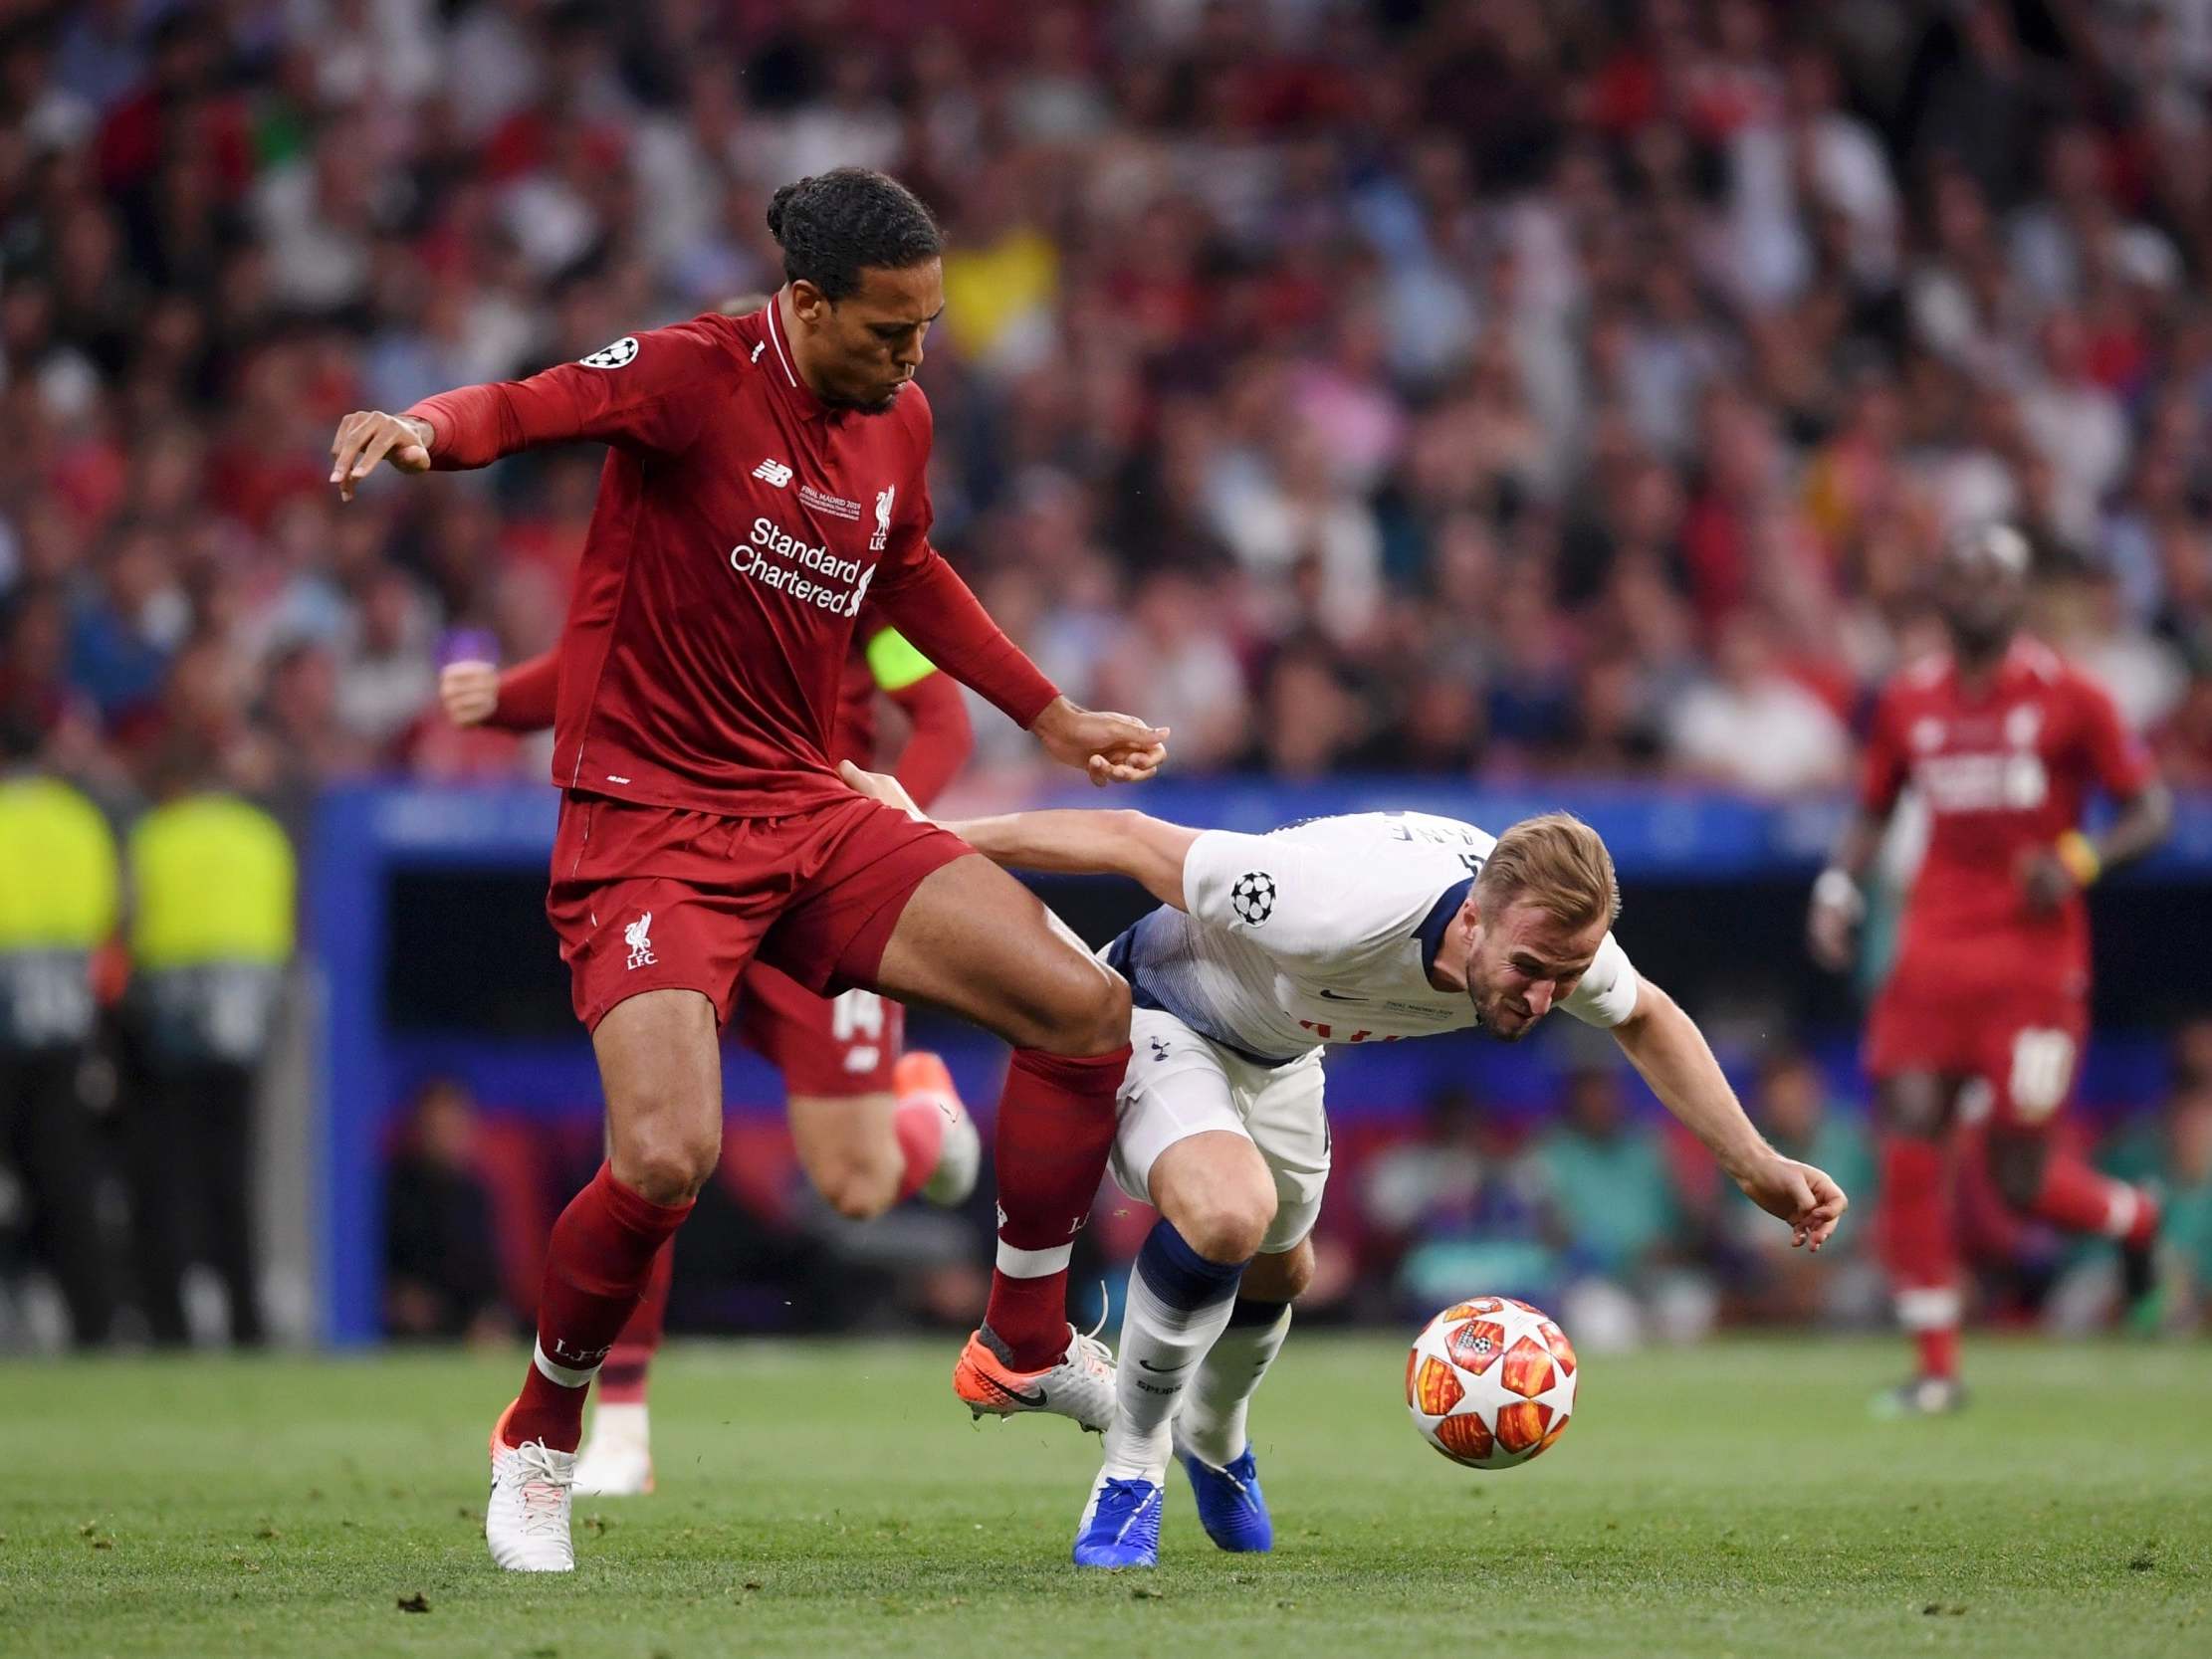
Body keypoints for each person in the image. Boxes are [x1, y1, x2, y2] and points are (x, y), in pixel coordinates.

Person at [328, 166, 1168, 1572]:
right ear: (804, 302)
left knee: (1083, 1007)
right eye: (889, 329)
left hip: (805, 804)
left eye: (929, 327)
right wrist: (421, 428)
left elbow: (910, 577)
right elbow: (530, 405)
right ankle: (542, 1434)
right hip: (647, 824)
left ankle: (1022, 1337)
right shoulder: (690, 374)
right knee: (666, 1155)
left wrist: (1051, 715)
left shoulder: (897, 416)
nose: (914, 357)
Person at [844, 764, 1847, 1569]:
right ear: (1471, 922)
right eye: (1530, 970)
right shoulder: (1328, 903)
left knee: (1283, 1270)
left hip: (1282, 1051)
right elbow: (1126, 839)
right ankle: (1131, 1466)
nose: (1545, 996)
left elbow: (1646, 1014)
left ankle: (1216, 1436)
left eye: (1564, 976)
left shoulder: (1556, 939)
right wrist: (926, 836)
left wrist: (1752, 1161)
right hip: (1164, 1007)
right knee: (1227, 1215)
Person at [436, 608, 981, 1498]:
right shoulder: (691, 555)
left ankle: (922, 1114)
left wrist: (891, 828)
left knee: (855, 1185)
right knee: (648, 1152)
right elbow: (604, 654)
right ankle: (621, 1421)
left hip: (817, 882)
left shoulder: (855, 591)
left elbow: (942, 715)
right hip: (681, 872)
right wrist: (504, 698)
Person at [1808, 522, 2172, 1416]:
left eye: (1994, 576)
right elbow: (1873, 807)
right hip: (1931, 950)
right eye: (1961, 574)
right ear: (1941, 594)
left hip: (2035, 965)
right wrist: (1837, 888)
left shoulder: (2073, 696)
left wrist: (2080, 860)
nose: (1976, 590)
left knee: (2019, 1176)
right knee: (1910, 1132)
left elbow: (2149, 809)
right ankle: (1936, 1368)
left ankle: (2135, 1219)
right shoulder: (1908, 701)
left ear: (2021, 594)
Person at [121, 746, 296, 1348]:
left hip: (168, 1013)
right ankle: (246, 1320)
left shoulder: (155, 834)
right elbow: (286, 926)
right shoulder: (263, 836)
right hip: (244, 1015)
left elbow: (127, 920)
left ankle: (171, 1325)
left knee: (170, 1175)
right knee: (233, 1174)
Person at [0, 719, 120, 1347]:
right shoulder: (80, 824)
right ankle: (94, 1327)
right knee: (68, 1183)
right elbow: (106, 915)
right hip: (64, 1019)